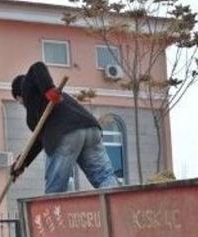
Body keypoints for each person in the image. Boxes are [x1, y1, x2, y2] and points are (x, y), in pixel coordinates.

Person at [10, 61, 119, 194]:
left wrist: (49, 89)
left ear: (18, 97)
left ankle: (53, 213)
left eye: (19, 101)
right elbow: (38, 142)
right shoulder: (59, 99)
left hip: (65, 133)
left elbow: (37, 66)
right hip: (91, 128)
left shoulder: (29, 90)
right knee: (104, 176)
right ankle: (116, 206)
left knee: (55, 187)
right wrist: (21, 164)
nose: (22, 104)